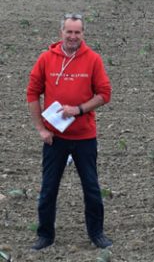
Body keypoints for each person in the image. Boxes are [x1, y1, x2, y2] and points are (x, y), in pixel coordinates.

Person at [26, 13, 113, 250]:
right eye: (69, 31)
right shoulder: (46, 59)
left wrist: (79, 109)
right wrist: (40, 129)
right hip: (55, 138)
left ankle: (97, 234)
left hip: (85, 137)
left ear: (83, 34)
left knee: (92, 188)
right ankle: (45, 235)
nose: (73, 36)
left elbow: (105, 94)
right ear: (61, 32)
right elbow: (32, 93)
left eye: (77, 32)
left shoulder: (93, 59)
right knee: (48, 188)